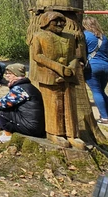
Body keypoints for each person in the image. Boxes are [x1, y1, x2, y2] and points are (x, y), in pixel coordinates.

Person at [30, 11, 84, 149]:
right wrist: (58, 68)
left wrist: (72, 67)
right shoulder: (39, 36)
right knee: (54, 104)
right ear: (46, 23)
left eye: (62, 21)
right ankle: (55, 133)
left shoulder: (70, 37)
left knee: (70, 105)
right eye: (56, 21)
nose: (60, 24)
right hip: (49, 75)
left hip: (68, 75)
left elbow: (74, 56)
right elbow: (37, 56)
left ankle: (72, 134)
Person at [0, 63, 45, 143]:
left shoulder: (20, 89)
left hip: (31, 127)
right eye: (6, 73)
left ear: (17, 75)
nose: (7, 76)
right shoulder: (26, 86)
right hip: (35, 125)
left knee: (3, 110)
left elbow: (2, 103)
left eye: (10, 74)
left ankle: (7, 135)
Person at [82, 16, 108, 125]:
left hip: (93, 67)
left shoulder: (85, 36)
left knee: (96, 91)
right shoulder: (104, 38)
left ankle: (105, 118)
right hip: (107, 67)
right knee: (101, 91)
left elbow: (82, 52)